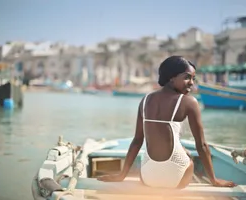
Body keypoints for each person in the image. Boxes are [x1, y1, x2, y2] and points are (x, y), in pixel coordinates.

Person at [97, 56, 236, 188]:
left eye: (193, 78)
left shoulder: (145, 101)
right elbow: (202, 145)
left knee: (184, 152)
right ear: (171, 78)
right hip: (177, 179)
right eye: (187, 77)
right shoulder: (189, 102)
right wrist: (214, 180)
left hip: (148, 177)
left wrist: (122, 175)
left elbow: (137, 141)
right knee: (188, 158)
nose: (192, 83)